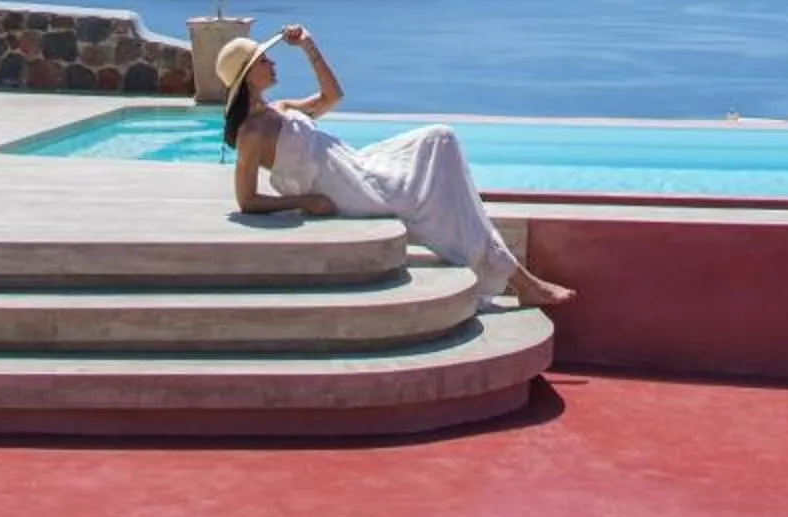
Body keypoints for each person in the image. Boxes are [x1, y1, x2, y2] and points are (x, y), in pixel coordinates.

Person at [215, 25, 574, 310]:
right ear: (247, 75)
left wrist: (310, 47)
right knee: (444, 193)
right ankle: (523, 282)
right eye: (265, 61)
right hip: (349, 189)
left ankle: (514, 276)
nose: (273, 64)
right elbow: (246, 200)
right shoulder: (252, 132)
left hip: (357, 164)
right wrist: (303, 202)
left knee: (440, 139)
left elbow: (332, 97)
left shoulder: (280, 108)